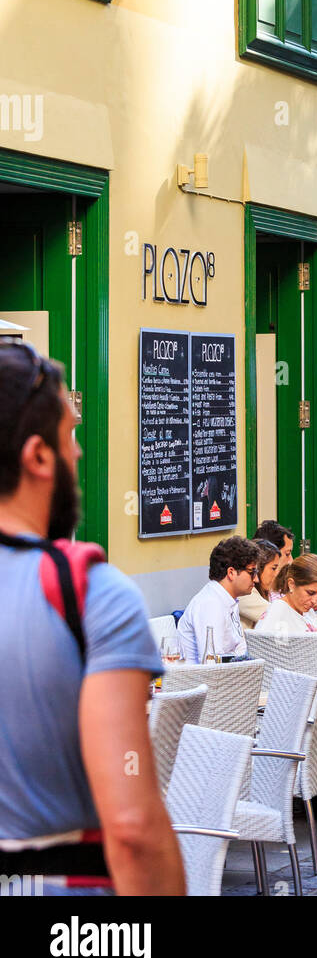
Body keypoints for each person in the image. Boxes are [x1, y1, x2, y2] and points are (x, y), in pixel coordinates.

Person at [0, 341, 184, 895]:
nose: (77, 454)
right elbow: (130, 822)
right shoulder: (91, 595)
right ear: (38, 456)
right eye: (69, 436)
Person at [178, 535, 259, 662]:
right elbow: (212, 662)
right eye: (251, 572)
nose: (256, 579)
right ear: (231, 573)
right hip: (200, 680)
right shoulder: (211, 604)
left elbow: (239, 649)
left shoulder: (226, 599)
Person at [256, 552, 317, 635]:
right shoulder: (278, 612)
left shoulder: (308, 611)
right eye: (310, 593)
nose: (315, 601)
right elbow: (261, 644)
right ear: (291, 584)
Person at [239, 539, 282, 630]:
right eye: (274, 568)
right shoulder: (245, 593)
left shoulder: (261, 592)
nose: (276, 574)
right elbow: (278, 617)